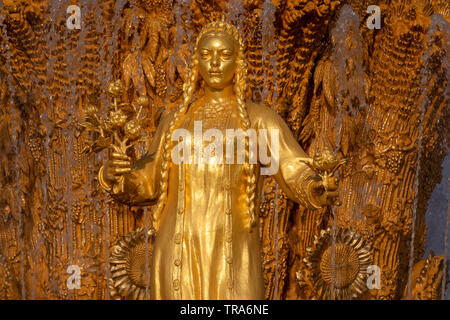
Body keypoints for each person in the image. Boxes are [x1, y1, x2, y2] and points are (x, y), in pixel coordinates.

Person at [98, 20, 339, 299]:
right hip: (178, 250)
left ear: (238, 63)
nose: (214, 63)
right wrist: (119, 177)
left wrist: (314, 185)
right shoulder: (176, 122)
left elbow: (290, 166)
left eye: (224, 55)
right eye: (206, 55)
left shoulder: (258, 121)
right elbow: (149, 177)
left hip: (233, 250)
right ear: (196, 63)